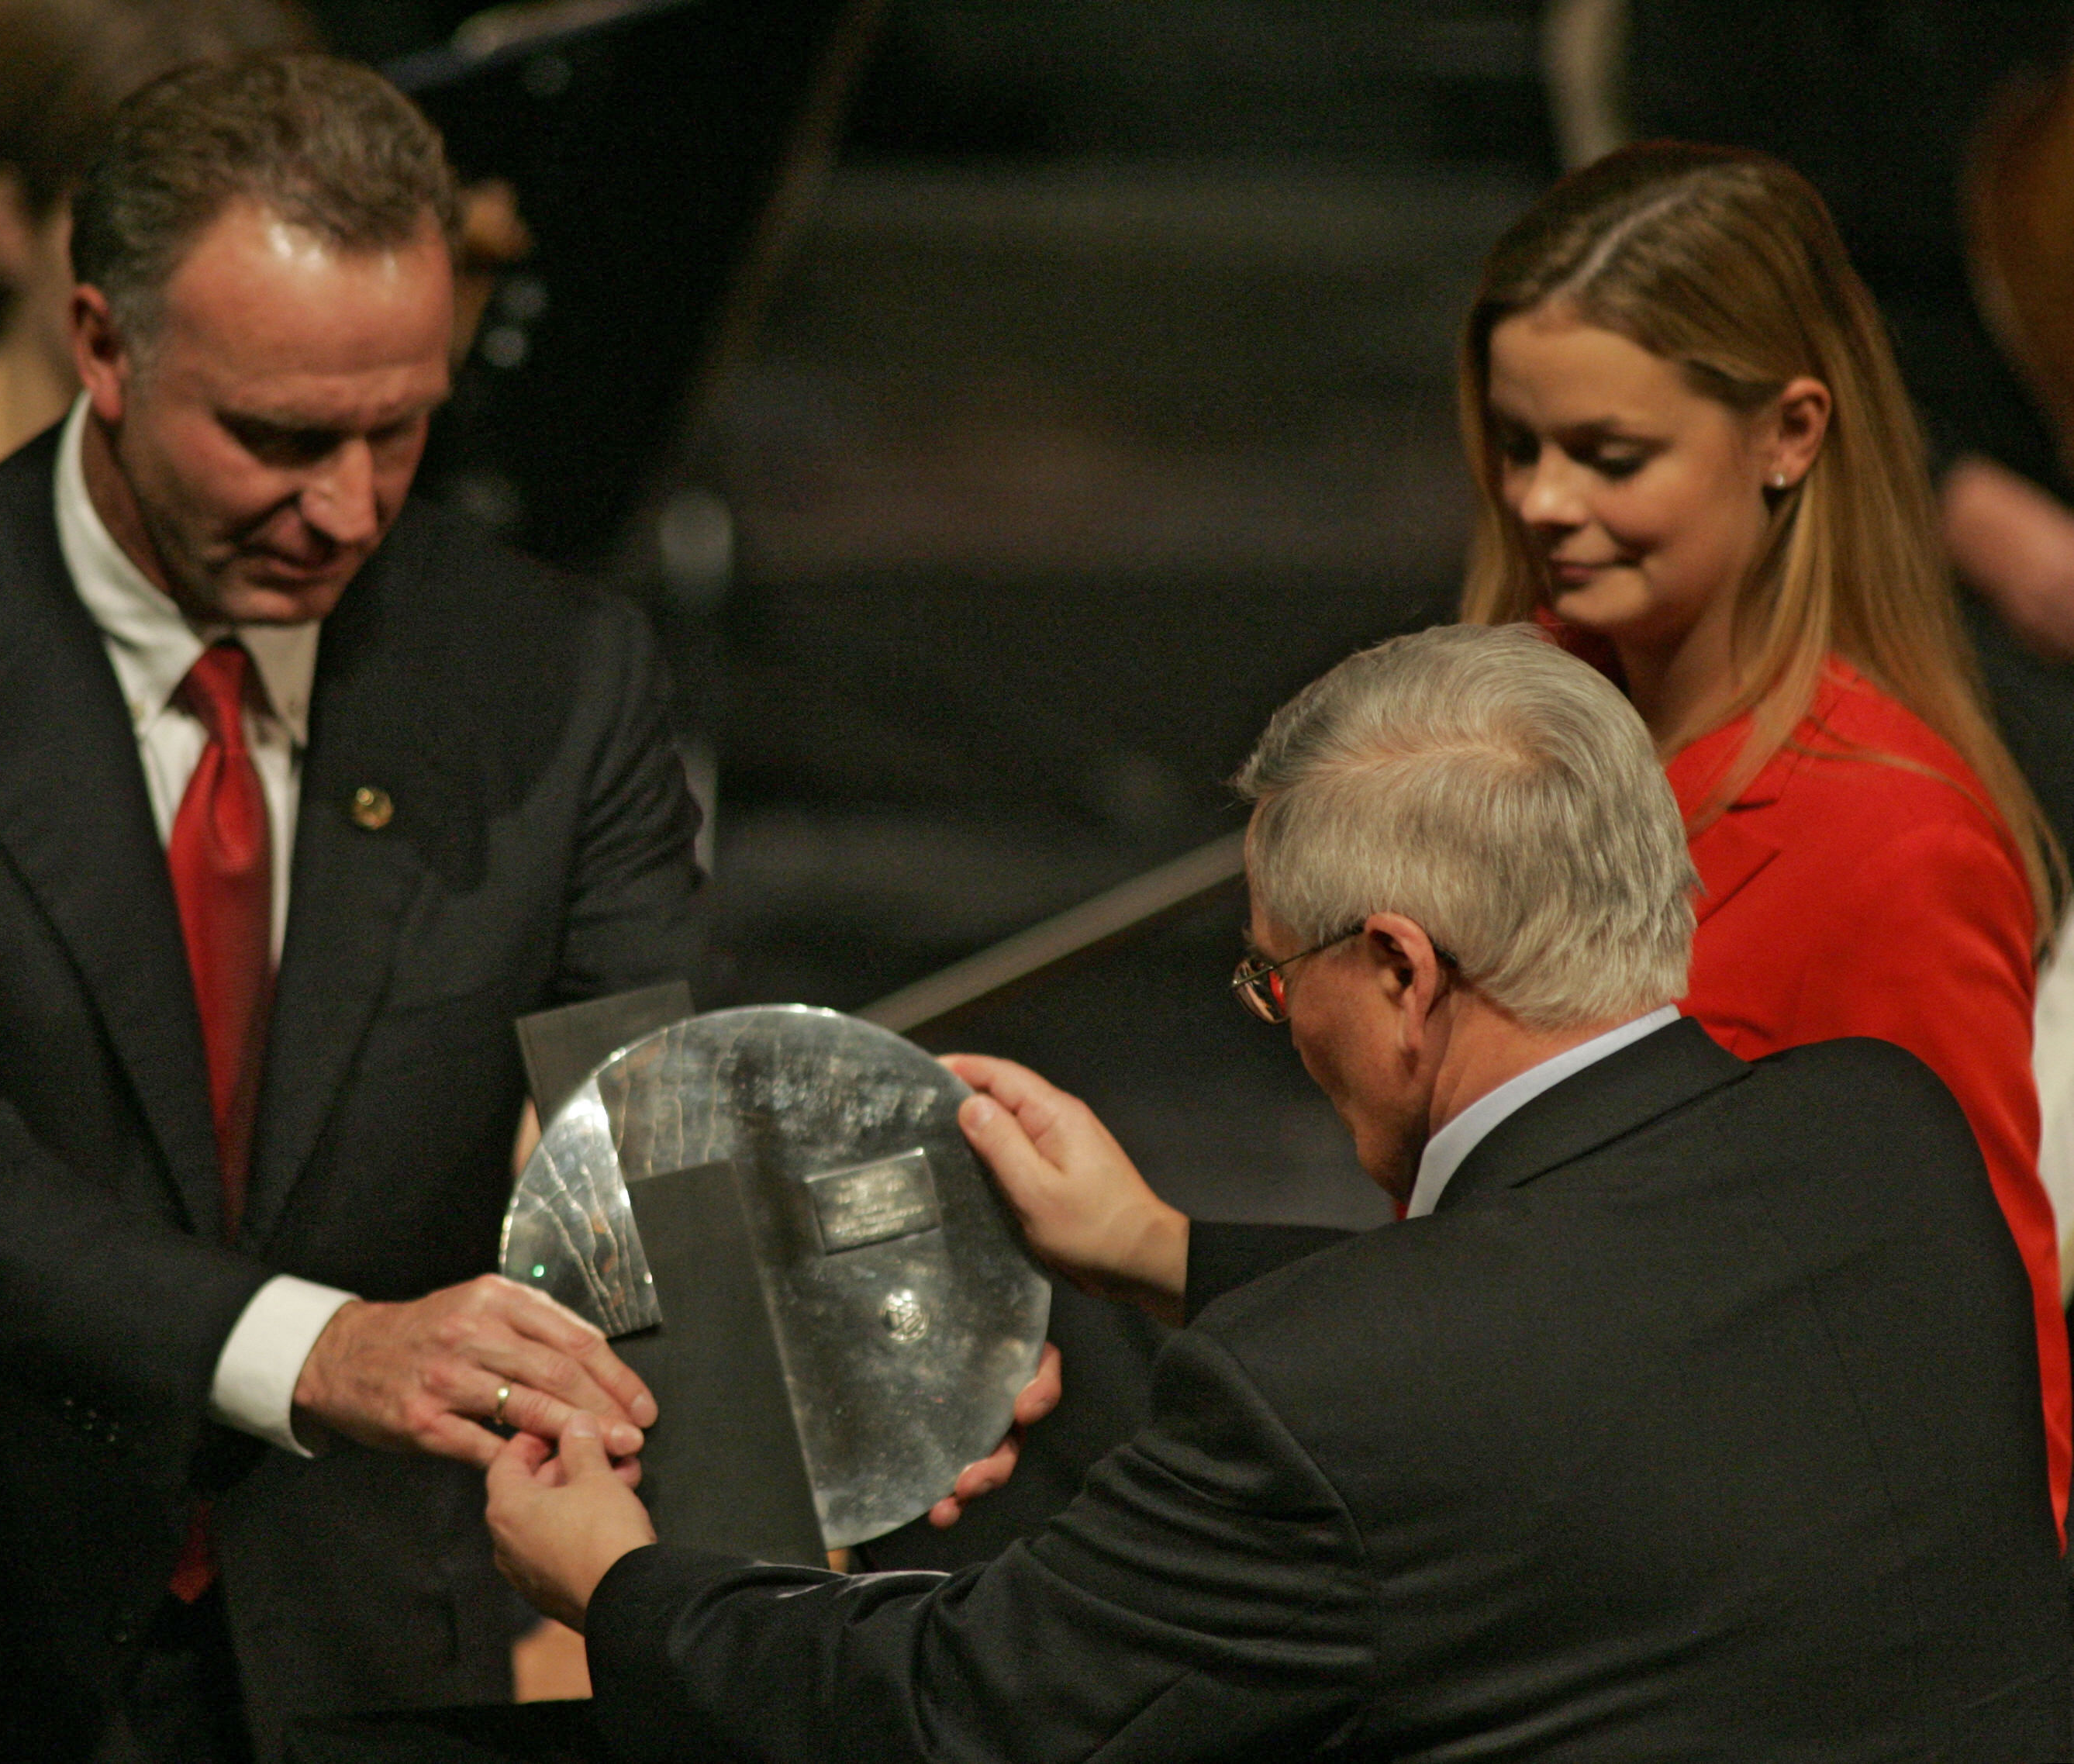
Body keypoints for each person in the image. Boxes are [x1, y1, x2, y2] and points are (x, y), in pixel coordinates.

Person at [0, 53, 692, 1763]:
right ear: (102, 347)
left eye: (402, 427)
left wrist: (837, 1374)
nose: (350, 506)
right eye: (278, 436)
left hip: (344, 1663)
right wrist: (324, 1350)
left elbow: (634, 1128)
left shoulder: (561, 673)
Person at [486, 623, 2071, 1761]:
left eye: (1269, 974)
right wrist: (1155, 1249)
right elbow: (1569, 1339)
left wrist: (618, 1582)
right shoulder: (1886, 1142)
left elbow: (956, 1705)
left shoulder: (1336, 1394)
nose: (1277, 1019)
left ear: (1396, 966)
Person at [1455, 141, 2074, 1531]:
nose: (1542, 500)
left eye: (1609, 455)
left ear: (1789, 435)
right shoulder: (1512, 735)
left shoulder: (1892, 845)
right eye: (1517, 444)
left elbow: (1976, 1357)